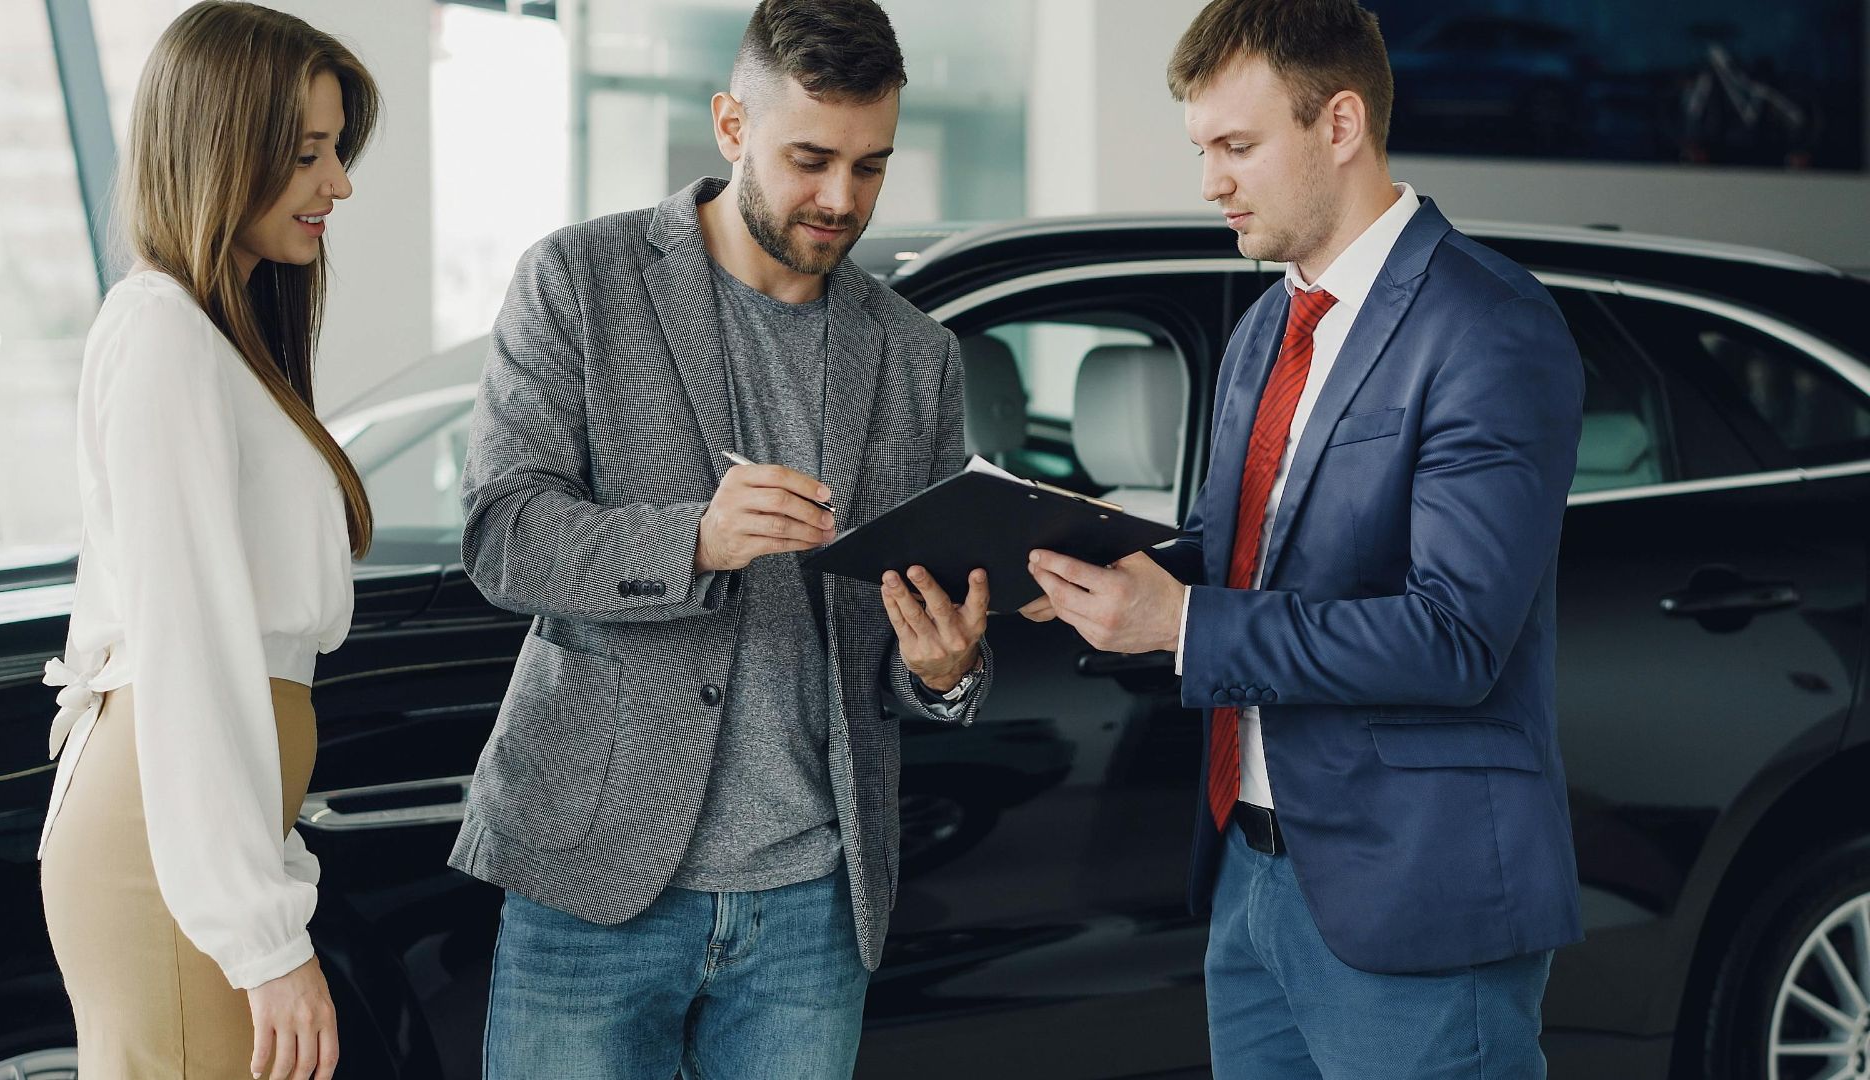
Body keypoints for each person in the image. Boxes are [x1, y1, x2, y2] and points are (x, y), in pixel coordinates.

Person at [1021, 1, 1585, 1076]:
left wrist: (1184, 623)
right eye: (1203, 151)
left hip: (1416, 907)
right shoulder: (1266, 327)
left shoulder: (1490, 324)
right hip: (1254, 880)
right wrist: (1085, 566)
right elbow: (1233, 552)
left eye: (1236, 147)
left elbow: (1452, 638)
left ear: (1339, 125)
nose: (1210, 184)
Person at [450, 2, 990, 1076]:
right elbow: (504, 535)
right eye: (810, 159)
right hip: (593, 889)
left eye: (872, 166)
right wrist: (691, 540)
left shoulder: (917, 356)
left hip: (811, 908)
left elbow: (920, 628)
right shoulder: (578, 282)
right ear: (732, 125)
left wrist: (945, 670)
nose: (842, 199)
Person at [36, 4, 379, 1078]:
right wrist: (265, 937)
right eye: (308, 151)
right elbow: (189, 655)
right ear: (222, 143)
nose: (339, 183)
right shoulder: (165, 336)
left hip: (184, 836)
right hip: (162, 851)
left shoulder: (210, 339)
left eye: (338, 150)